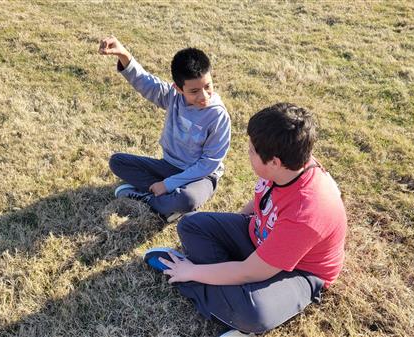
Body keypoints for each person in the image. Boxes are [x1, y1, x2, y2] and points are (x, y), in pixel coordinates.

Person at [144, 103, 347, 336]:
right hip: (260, 237)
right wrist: (231, 230)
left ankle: (190, 278)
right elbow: (261, 199)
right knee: (191, 225)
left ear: (274, 162)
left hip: (300, 271)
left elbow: (251, 272)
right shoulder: (292, 161)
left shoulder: (307, 211)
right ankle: (223, 290)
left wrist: (190, 273)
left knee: (253, 314)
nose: (248, 153)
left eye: (251, 150)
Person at [98, 36, 231, 222]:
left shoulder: (218, 115)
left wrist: (168, 184)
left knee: (188, 199)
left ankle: (152, 199)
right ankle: (166, 202)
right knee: (118, 162)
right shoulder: (172, 97)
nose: (203, 96)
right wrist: (124, 55)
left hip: (201, 178)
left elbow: (209, 163)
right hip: (169, 166)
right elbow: (145, 82)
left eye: (207, 86)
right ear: (178, 88)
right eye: (194, 91)